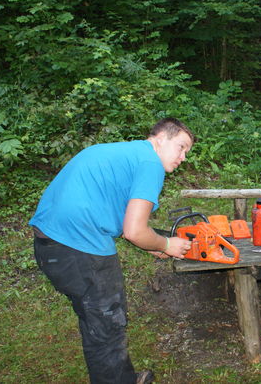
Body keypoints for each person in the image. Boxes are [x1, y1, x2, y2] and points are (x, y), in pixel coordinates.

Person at [29, 118, 195, 383]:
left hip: (50, 245)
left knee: (98, 319)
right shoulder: (150, 163)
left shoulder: (122, 153)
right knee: (107, 324)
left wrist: (154, 246)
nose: (184, 157)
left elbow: (119, 218)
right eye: (181, 147)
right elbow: (134, 231)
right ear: (161, 138)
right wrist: (166, 244)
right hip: (79, 249)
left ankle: (121, 378)